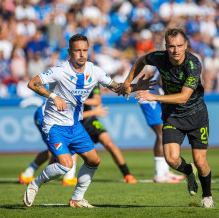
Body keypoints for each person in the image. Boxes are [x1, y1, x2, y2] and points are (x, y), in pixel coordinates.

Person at [23, 34, 154, 208]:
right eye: (77, 50)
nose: (82, 54)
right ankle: (35, 184)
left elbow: (117, 87)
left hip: (75, 126)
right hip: (54, 125)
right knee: (66, 165)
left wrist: (136, 86)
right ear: (70, 52)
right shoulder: (60, 70)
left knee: (94, 160)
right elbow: (33, 83)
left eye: (85, 50)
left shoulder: (94, 70)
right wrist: (54, 96)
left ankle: (77, 199)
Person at [119, 28, 214, 208]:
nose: (176, 50)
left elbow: (184, 96)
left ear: (186, 45)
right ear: (166, 47)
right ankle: (188, 171)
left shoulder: (193, 64)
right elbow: (141, 60)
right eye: (171, 46)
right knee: (171, 159)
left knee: (201, 162)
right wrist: (127, 81)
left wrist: (154, 97)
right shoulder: (159, 57)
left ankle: (207, 195)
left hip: (196, 116)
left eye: (179, 46)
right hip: (173, 116)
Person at [20, 84, 137, 185]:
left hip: (85, 118)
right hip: (50, 115)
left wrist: (79, 100)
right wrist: (90, 109)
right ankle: (38, 176)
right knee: (57, 149)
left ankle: (127, 174)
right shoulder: (70, 78)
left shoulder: (92, 80)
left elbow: (97, 101)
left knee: (108, 143)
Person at [138, 70, 184, 183]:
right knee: (161, 133)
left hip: (155, 99)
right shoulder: (168, 60)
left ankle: (165, 171)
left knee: (165, 132)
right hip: (149, 99)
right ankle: (159, 174)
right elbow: (160, 81)